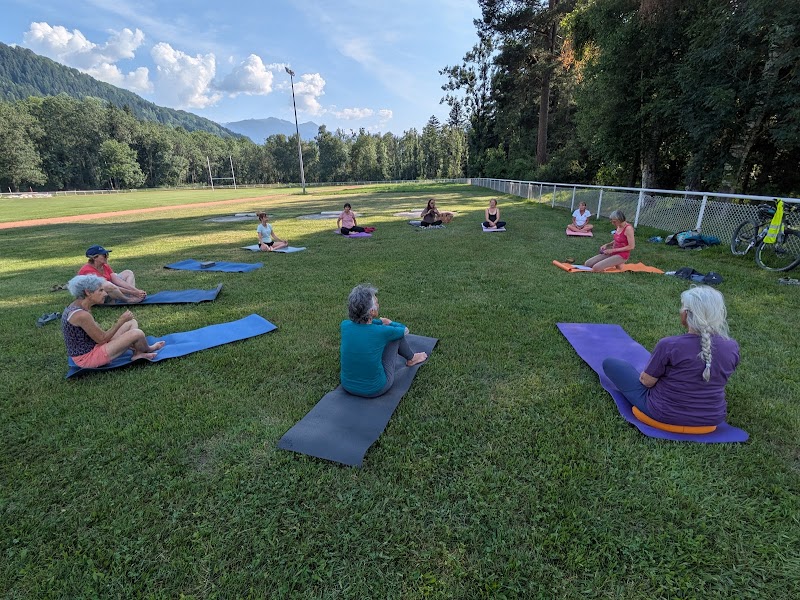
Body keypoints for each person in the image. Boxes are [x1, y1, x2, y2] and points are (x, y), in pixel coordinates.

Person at [602, 286, 739, 427]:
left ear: (685, 314)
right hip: (713, 417)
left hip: (663, 413)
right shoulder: (732, 346)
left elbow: (646, 382)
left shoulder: (669, 344)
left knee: (612, 364)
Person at [340, 284, 428, 398]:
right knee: (395, 336)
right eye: (376, 302)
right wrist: (390, 323)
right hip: (376, 389)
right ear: (371, 311)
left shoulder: (345, 325)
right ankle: (412, 359)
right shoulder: (381, 332)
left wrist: (381, 323)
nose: (378, 304)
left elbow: (368, 326)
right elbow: (404, 330)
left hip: (347, 385)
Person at [62, 274, 165, 368]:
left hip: (93, 346)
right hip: (87, 358)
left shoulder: (80, 306)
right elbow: (102, 339)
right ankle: (148, 348)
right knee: (137, 333)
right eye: (101, 290)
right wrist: (120, 321)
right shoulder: (81, 314)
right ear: (88, 292)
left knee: (131, 323)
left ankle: (138, 353)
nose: (105, 294)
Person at [78, 245, 146, 303]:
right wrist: (133, 292)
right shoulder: (87, 270)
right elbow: (109, 286)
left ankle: (133, 296)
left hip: (107, 290)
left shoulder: (104, 265)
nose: (107, 257)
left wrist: (136, 290)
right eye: (104, 255)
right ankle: (128, 300)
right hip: (95, 296)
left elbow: (117, 280)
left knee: (128, 273)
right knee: (107, 285)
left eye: (107, 254)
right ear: (95, 257)